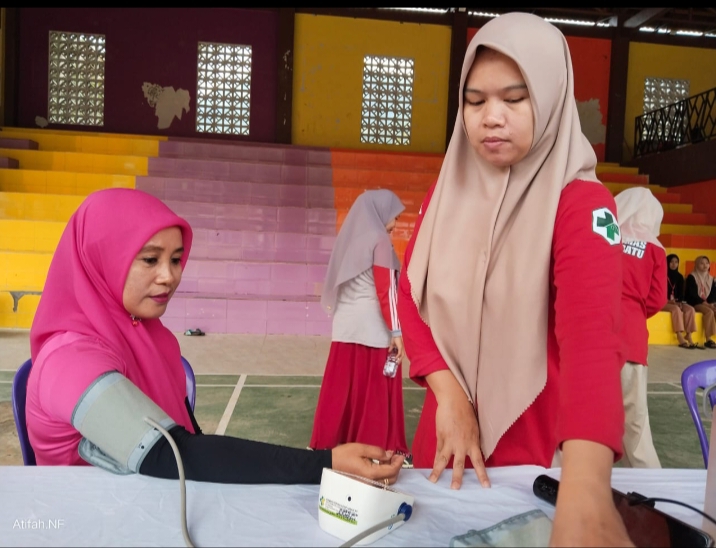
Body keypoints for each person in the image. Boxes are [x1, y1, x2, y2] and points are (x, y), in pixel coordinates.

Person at [397, 12, 632, 547]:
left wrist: (586, 490)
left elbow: (592, 341)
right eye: (474, 101)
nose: (491, 117)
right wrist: (450, 395)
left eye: (514, 98)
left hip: (534, 469)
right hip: (446, 451)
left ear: (550, 98)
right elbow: (411, 292)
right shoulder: (449, 191)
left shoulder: (582, 205)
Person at [25, 188, 404, 485]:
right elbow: (171, 454)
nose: (169, 276)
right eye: (150, 259)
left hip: (146, 502)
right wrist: (326, 463)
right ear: (101, 258)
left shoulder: (154, 339)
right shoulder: (69, 360)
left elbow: (189, 435)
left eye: (176, 259)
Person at [309, 189, 411, 466]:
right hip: (373, 327)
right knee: (375, 390)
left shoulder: (351, 239)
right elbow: (386, 290)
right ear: (380, 212)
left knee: (342, 388)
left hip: (345, 324)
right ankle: (376, 447)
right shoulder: (380, 240)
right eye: (394, 216)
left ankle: (330, 445)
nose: (395, 223)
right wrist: (397, 331)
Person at [614, 186, 667, 469]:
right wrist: (633, 312)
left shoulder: (605, 235)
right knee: (635, 423)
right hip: (632, 339)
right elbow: (657, 299)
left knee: (583, 414)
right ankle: (650, 482)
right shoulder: (656, 249)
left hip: (594, 334)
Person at [663, 253, 697, 349]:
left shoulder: (679, 277)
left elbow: (682, 293)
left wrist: (679, 301)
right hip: (663, 302)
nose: (674, 264)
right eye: (671, 262)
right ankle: (679, 335)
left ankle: (689, 335)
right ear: (667, 263)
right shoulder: (662, 275)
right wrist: (669, 301)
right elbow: (659, 292)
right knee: (676, 309)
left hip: (676, 302)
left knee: (690, 309)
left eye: (676, 262)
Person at [685, 255, 716, 349]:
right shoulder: (692, 277)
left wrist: (711, 304)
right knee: (709, 312)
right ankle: (708, 339)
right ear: (697, 264)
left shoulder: (711, 278)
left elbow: (713, 294)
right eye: (702, 263)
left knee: (713, 310)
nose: (705, 265)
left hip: (707, 303)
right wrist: (706, 304)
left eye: (707, 263)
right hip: (695, 303)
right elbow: (692, 295)